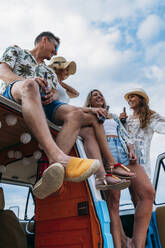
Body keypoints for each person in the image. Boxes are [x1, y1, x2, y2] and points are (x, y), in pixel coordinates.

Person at [0, 32, 130, 199]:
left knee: (75, 113)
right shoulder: (16, 51)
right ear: (45, 40)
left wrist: (51, 96)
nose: (55, 52)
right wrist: (27, 82)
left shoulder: (49, 71)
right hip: (17, 91)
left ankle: (51, 172)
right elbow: (3, 71)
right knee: (30, 85)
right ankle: (59, 158)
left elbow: (55, 93)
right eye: (55, 47)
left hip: (43, 104)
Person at [48, 55, 135, 191]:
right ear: (58, 68)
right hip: (60, 117)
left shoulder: (59, 85)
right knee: (95, 118)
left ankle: (101, 177)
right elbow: (62, 103)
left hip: (67, 119)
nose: (67, 74)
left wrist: (59, 80)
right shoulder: (51, 82)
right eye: (66, 70)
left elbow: (75, 93)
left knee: (89, 132)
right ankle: (111, 164)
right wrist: (54, 77)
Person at [83, 89, 155, 248]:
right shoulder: (89, 116)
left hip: (124, 154)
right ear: (89, 101)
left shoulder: (113, 116)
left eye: (101, 94)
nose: (99, 96)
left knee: (148, 193)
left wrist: (130, 149)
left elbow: (125, 135)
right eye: (95, 95)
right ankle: (119, 245)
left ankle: (137, 243)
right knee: (113, 204)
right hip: (107, 156)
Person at [121, 88, 165, 180]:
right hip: (126, 162)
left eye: (132, 97)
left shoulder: (150, 116)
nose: (129, 100)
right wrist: (121, 122)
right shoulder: (127, 119)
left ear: (141, 99)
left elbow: (163, 127)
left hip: (142, 162)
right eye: (128, 98)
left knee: (144, 191)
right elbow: (123, 138)